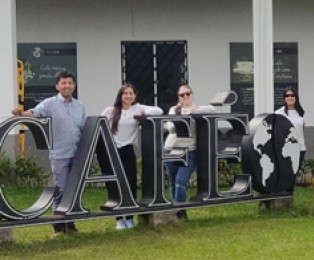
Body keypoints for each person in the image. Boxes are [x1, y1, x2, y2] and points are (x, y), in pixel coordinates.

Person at [11, 70, 85, 237]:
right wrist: (21, 114)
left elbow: (83, 129)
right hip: (60, 154)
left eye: (70, 83)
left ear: (74, 85)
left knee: (72, 190)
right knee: (61, 188)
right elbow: (34, 112)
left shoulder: (80, 106)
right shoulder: (49, 104)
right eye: (64, 83)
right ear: (57, 86)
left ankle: (70, 224)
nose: (67, 86)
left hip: (78, 154)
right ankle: (58, 226)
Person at [98, 84, 163, 229]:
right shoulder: (111, 111)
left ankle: (129, 217)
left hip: (128, 150)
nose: (128, 96)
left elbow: (158, 111)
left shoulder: (137, 108)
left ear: (135, 95)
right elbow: (99, 125)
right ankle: (119, 218)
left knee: (130, 183)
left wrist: (143, 111)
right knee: (116, 184)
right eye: (125, 93)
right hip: (112, 151)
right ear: (120, 96)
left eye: (131, 93)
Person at [164, 85, 215, 220]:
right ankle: (177, 210)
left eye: (187, 94)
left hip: (190, 151)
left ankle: (179, 211)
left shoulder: (198, 109)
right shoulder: (174, 110)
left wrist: (194, 110)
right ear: (178, 97)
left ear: (192, 95)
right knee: (173, 180)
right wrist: (183, 116)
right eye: (182, 95)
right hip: (171, 149)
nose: (185, 97)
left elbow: (212, 109)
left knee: (181, 181)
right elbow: (170, 127)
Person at [275, 87, 307, 170]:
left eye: (292, 95)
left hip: (300, 147)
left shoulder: (301, 112)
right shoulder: (279, 113)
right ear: (284, 98)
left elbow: (302, 128)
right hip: (285, 148)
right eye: (287, 95)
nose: (290, 97)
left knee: (295, 172)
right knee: (286, 172)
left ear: (296, 97)